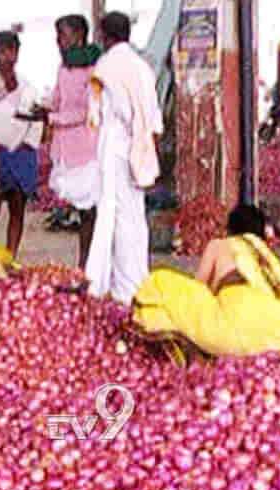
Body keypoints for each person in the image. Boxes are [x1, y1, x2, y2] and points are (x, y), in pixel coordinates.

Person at [130, 204, 280, 367]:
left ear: (230, 229)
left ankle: (192, 351)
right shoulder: (266, 255)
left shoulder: (220, 244)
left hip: (238, 335)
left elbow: (199, 290)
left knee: (158, 281)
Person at [83, 12, 163, 304]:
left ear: (104, 36)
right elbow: (152, 118)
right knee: (134, 218)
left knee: (114, 217)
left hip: (116, 150)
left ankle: (119, 288)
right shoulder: (142, 66)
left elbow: (105, 112)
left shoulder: (107, 66)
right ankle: (135, 282)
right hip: (137, 149)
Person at [33, 14, 102, 273]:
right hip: (65, 149)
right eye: (57, 35)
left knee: (89, 212)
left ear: (79, 36)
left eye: (63, 35)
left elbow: (86, 112)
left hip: (86, 149)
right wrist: (41, 108)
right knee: (81, 210)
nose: (58, 41)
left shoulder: (94, 68)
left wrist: (51, 117)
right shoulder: (63, 68)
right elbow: (58, 98)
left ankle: (87, 264)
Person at [0, 30, 42, 260]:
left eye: (12, 51)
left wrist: (28, 144)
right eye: (2, 51)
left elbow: (35, 120)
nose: (7, 57)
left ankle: (11, 255)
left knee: (17, 209)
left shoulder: (27, 86)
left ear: (18, 53)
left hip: (21, 153)